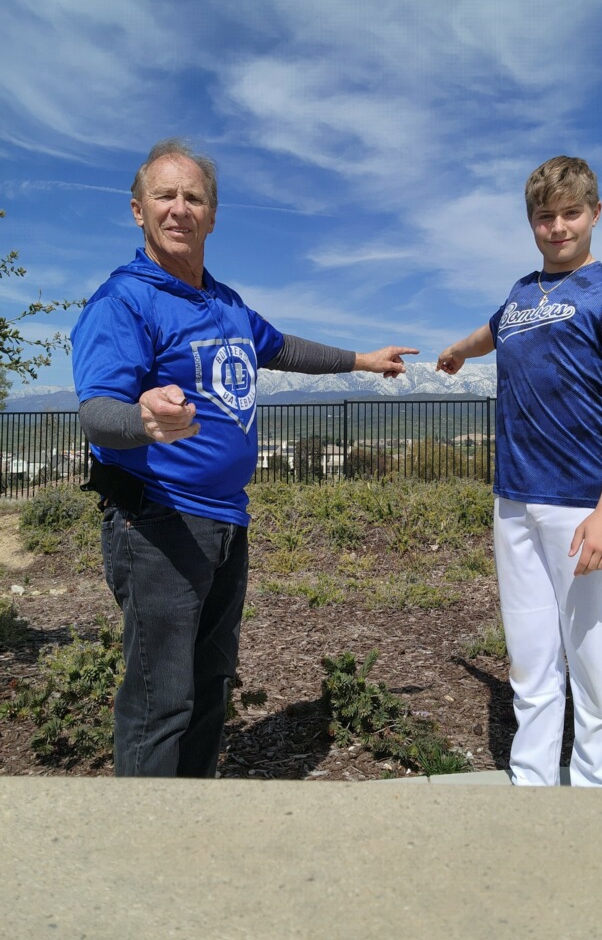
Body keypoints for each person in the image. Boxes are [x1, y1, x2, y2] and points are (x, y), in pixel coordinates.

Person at [71, 138, 418, 778]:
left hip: (226, 522)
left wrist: (361, 359)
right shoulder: (124, 301)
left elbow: (280, 346)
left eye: (193, 197)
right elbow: (96, 410)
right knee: (160, 701)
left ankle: (196, 821)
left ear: (212, 214)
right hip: (157, 522)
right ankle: (142, 848)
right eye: (165, 196)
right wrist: (144, 422)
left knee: (209, 689)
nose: (180, 209)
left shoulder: (223, 302)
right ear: (137, 210)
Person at [436, 156, 602, 787]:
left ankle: (600, 805)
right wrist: (458, 349)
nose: (558, 227)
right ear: (531, 222)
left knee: (594, 666)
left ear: (595, 213)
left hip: (580, 506)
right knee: (532, 664)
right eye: (545, 216)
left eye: (571, 213)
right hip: (514, 501)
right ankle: (532, 788)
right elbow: (496, 328)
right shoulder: (521, 293)